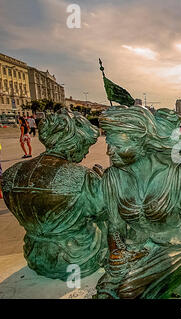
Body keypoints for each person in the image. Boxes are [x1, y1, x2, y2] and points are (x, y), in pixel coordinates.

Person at [95, 106, 181, 299]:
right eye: (109, 143)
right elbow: (115, 227)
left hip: (173, 245)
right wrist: (117, 252)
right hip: (134, 244)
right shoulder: (112, 178)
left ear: (142, 141)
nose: (109, 151)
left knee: (128, 292)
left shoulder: (179, 175)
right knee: (105, 292)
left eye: (118, 145)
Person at [1, 109, 108, 280]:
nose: (87, 153)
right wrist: (102, 183)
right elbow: (104, 212)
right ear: (73, 142)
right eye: (85, 145)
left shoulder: (11, 174)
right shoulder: (84, 177)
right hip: (79, 259)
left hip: (36, 255)